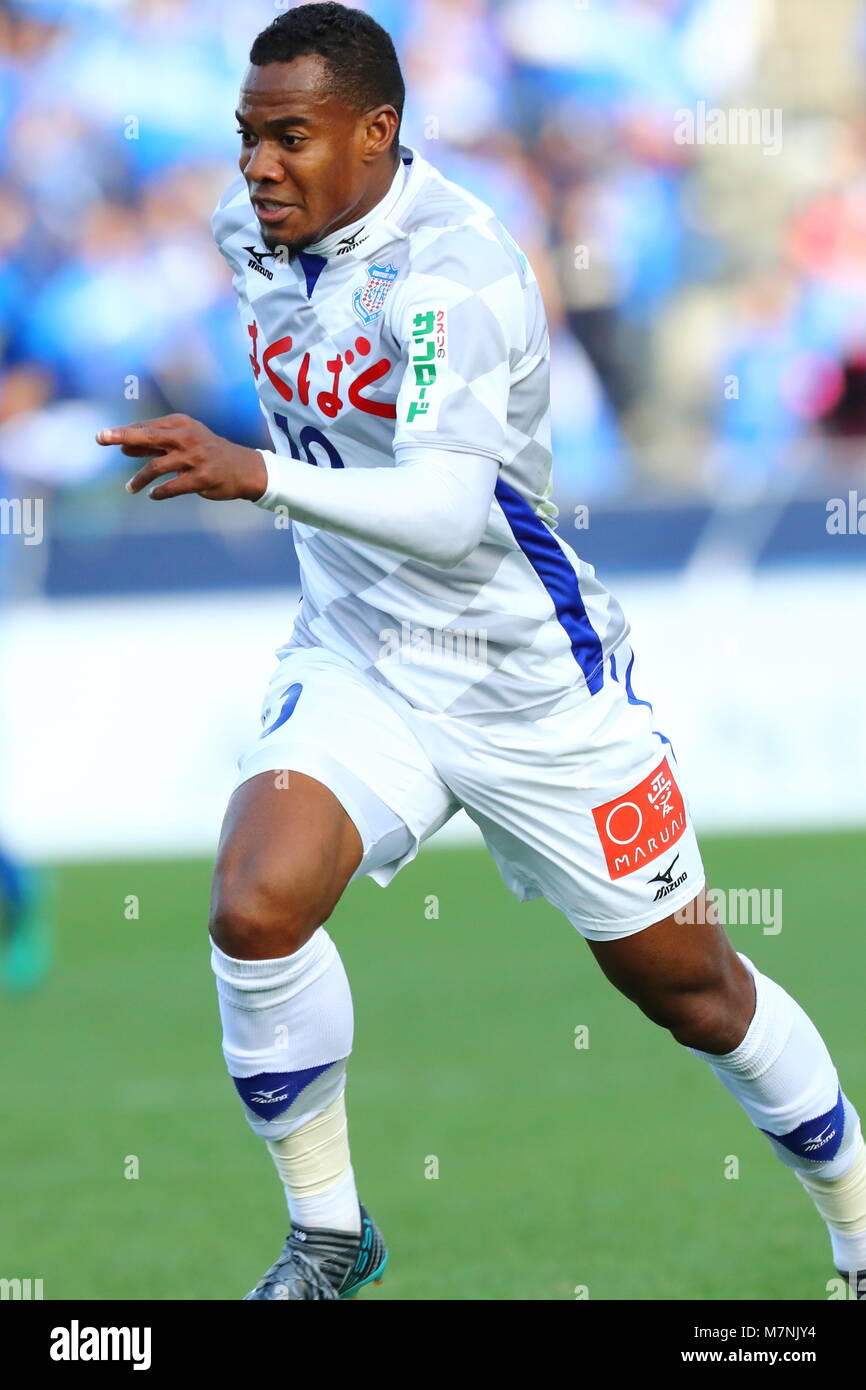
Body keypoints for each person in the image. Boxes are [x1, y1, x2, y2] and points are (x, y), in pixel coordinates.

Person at [97, 3, 866, 1301]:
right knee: (254, 901)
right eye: (246, 137)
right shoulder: (250, 236)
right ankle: (328, 1235)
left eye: (289, 137)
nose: (258, 166)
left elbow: (452, 508)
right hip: (361, 650)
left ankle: (856, 1234)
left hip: (526, 678)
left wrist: (256, 473)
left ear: (376, 133)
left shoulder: (461, 270)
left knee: (688, 985)